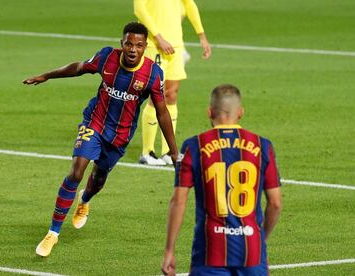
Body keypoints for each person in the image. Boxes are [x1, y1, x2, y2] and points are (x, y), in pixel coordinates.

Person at [23, 22, 178, 257]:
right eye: (128, 43)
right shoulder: (107, 57)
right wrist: (47, 75)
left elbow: (162, 112)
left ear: (146, 46)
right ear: (122, 44)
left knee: (98, 178)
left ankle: (85, 199)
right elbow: (79, 67)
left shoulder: (153, 74)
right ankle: (53, 233)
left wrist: (174, 152)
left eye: (138, 45)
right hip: (94, 122)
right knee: (76, 171)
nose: (133, 49)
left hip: (120, 135)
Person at [161, 84, 282, 275]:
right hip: (252, 252)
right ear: (240, 112)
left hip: (209, 253)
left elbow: (178, 201)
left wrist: (169, 250)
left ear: (209, 112)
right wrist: (261, 238)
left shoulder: (194, 146)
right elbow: (275, 204)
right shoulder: (263, 146)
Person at [134, 0, 212, 166]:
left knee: (172, 94)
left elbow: (190, 5)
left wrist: (202, 36)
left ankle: (168, 151)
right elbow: (139, 9)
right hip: (155, 45)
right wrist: (158, 38)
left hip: (176, 45)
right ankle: (147, 152)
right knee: (156, 95)